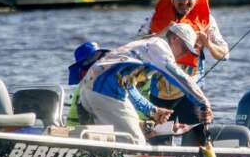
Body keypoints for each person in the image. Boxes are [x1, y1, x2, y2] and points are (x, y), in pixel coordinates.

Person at [79, 23, 213, 144]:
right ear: (175, 39)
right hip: (105, 93)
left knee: (112, 139)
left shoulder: (145, 47)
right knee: (136, 142)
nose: (184, 55)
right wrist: (203, 102)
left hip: (90, 89)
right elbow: (179, 77)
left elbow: (126, 84)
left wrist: (152, 110)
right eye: (184, 49)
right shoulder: (159, 47)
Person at [136, 0, 229, 125]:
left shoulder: (207, 21)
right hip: (160, 94)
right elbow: (135, 45)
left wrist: (208, 44)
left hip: (191, 93)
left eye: (189, 2)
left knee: (196, 142)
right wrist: (161, 33)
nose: (185, 6)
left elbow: (225, 54)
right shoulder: (155, 17)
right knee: (159, 144)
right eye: (180, 2)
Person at [66, 42, 110, 127]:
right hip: (77, 132)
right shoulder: (90, 86)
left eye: (100, 57)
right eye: (95, 59)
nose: (99, 62)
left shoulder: (93, 82)